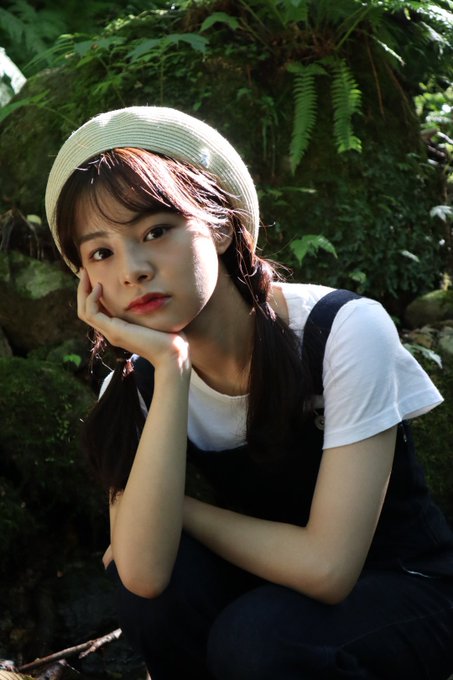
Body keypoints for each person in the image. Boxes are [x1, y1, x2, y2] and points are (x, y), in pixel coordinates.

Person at [45, 106, 453, 680]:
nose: (132, 269)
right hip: (267, 598)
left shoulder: (338, 331)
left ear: (219, 225)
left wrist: (179, 509)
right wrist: (172, 366)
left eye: (155, 231)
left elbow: (329, 569)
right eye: (101, 253)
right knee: (163, 598)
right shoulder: (137, 386)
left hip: (402, 591)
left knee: (255, 637)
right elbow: (142, 575)